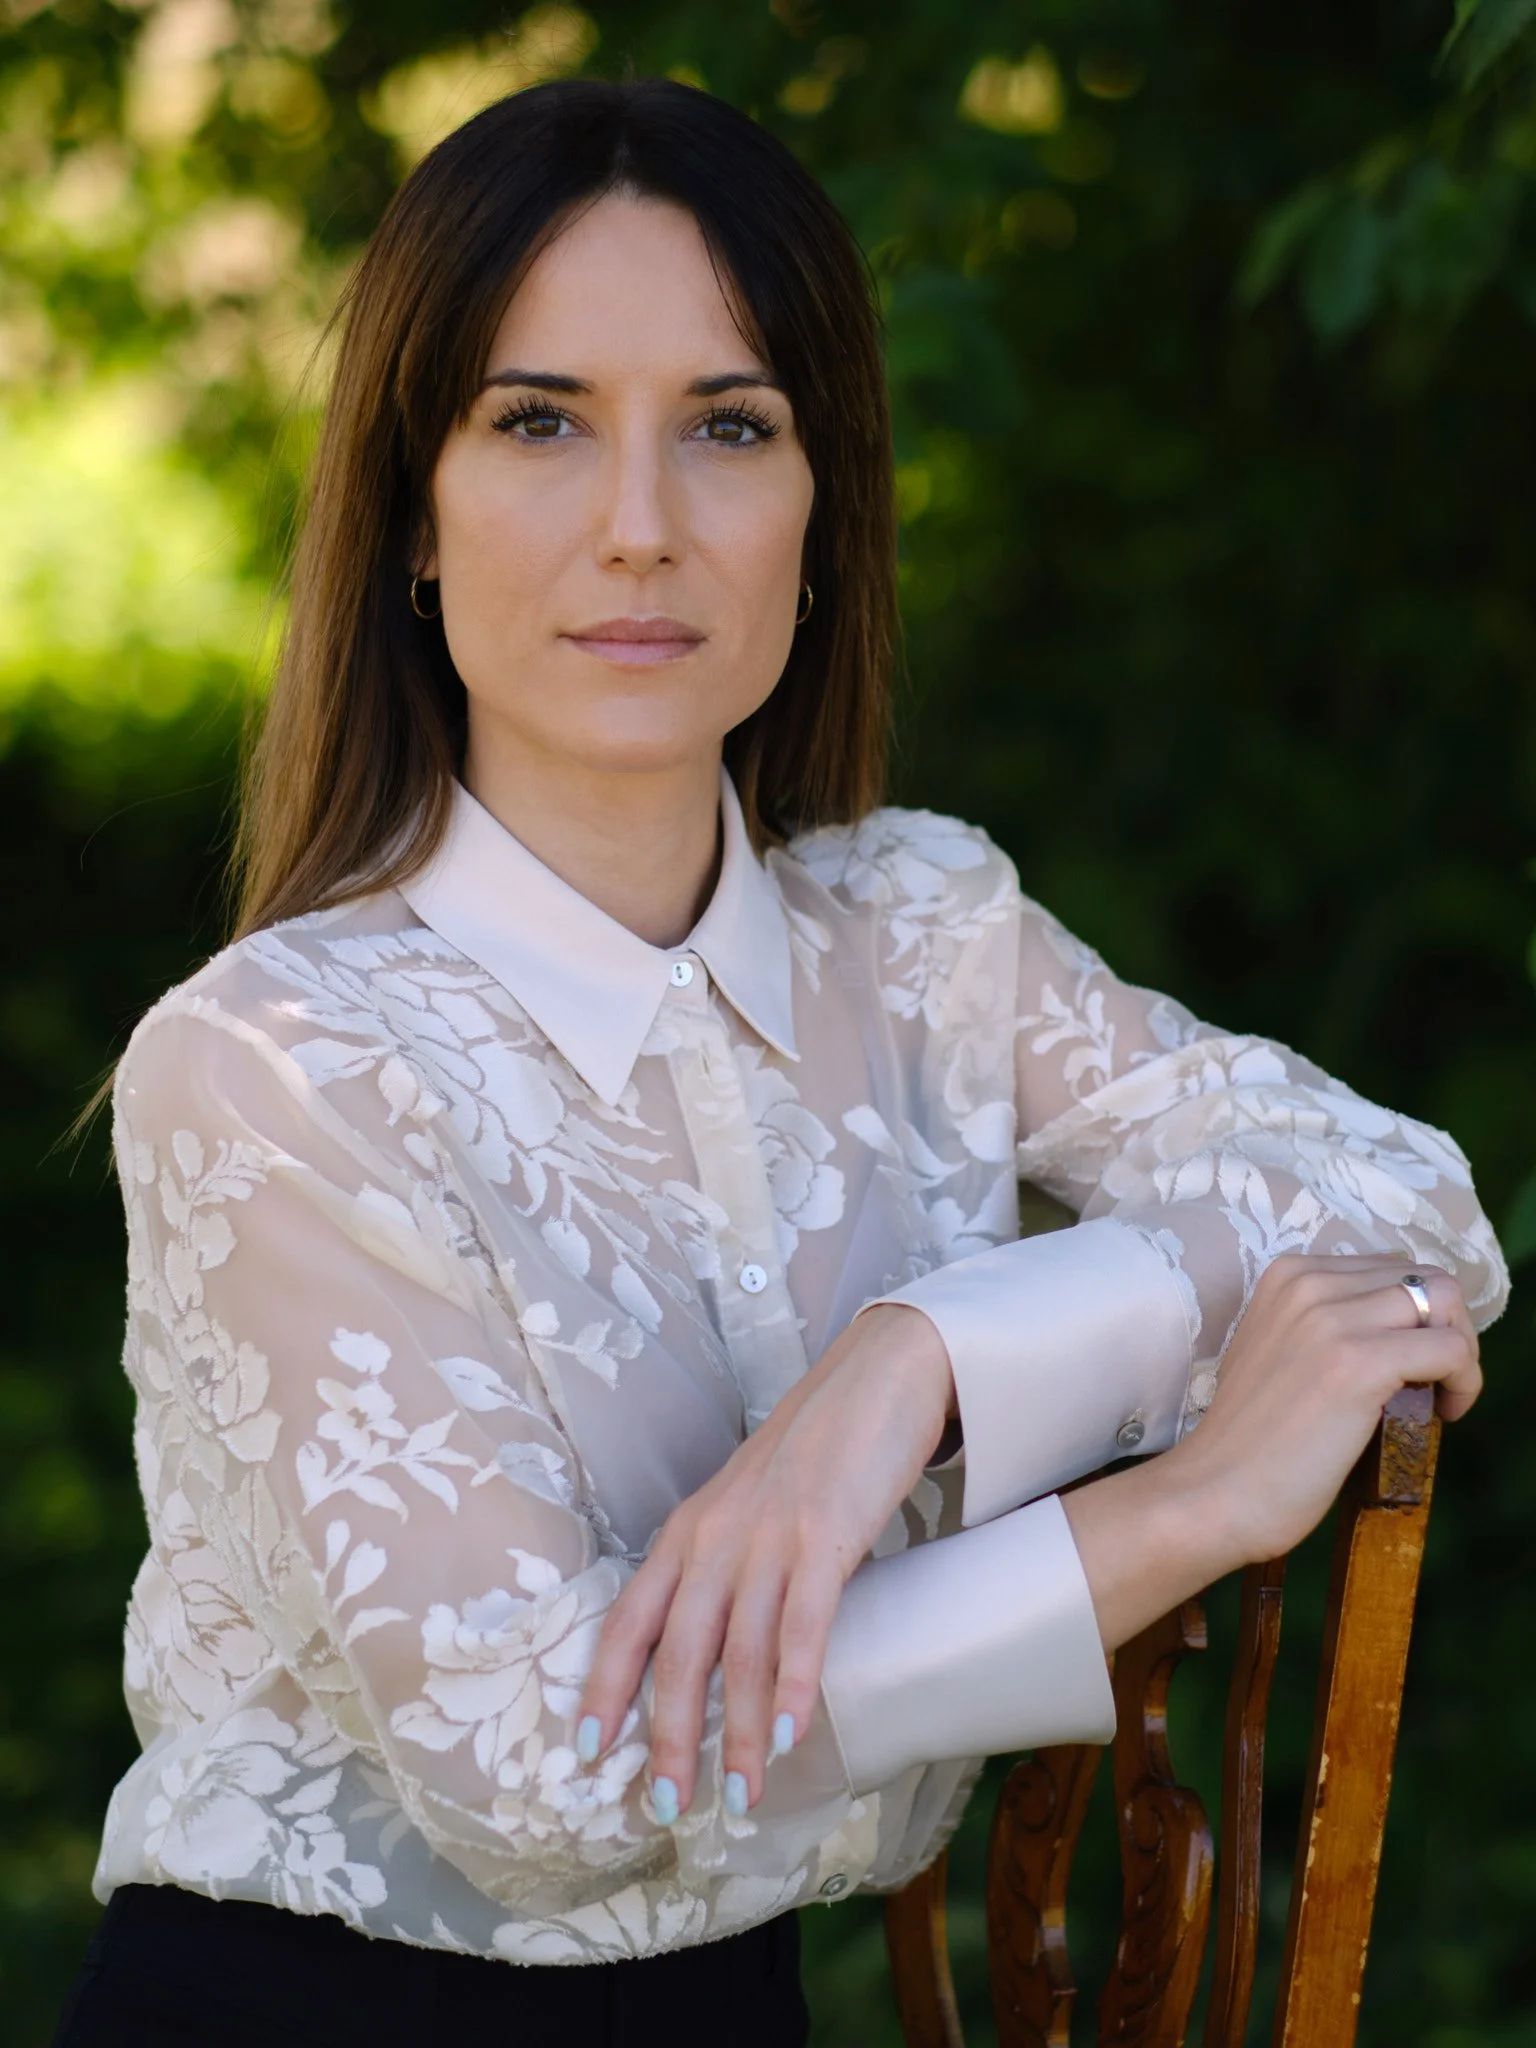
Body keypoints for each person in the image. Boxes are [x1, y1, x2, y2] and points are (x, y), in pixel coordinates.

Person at [53, 75, 1504, 2048]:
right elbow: (550, 1785)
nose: (640, 530)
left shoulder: (916, 933)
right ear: (412, 510)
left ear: (822, 512)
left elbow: (1408, 1210)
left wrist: (907, 1366)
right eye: (539, 422)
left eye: (729, 428)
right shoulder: (280, 1065)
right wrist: (1173, 1512)